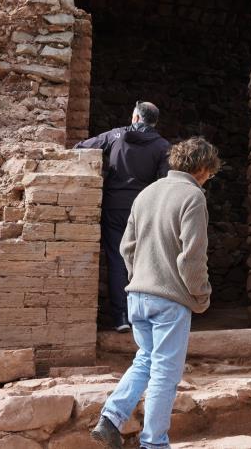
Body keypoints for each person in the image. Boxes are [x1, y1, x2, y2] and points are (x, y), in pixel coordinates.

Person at [90, 137, 220, 449]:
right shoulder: (193, 196)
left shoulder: (146, 193)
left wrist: (139, 279)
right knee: (165, 373)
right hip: (169, 299)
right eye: (210, 174)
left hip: (137, 295)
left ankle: (111, 417)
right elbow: (192, 257)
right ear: (202, 169)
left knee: (145, 360)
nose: (209, 179)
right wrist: (201, 295)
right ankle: (154, 442)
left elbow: (126, 248)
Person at [76, 101, 170, 332]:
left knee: (118, 260)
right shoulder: (162, 146)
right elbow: (164, 181)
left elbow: (81, 147)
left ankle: (120, 317)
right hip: (144, 209)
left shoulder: (116, 135)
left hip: (114, 207)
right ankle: (145, 317)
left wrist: (107, 170)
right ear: (154, 121)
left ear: (136, 118)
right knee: (146, 260)